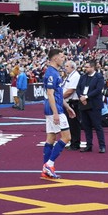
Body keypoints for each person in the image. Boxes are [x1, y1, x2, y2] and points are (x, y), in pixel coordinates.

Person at [40, 48, 74, 180]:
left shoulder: (54, 72)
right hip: (54, 109)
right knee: (66, 137)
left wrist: (67, 106)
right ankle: (49, 164)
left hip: (55, 108)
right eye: (61, 57)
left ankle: (45, 168)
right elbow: (50, 94)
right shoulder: (51, 73)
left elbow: (57, 94)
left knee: (51, 138)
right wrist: (56, 112)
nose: (63, 58)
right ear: (54, 58)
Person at [75, 60, 106, 154]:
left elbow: (98, 90)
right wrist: (81, 97)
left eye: (87, 67)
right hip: (83, 104)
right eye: (85, 67)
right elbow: (78, 88)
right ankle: (89, 145)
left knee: (97, 126)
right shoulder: (83, 77)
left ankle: (102, 146)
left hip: (94, 104)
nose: (85, 68)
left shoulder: (99, 77)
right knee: (86, 126)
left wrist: (86, 97)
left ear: (93, 67)